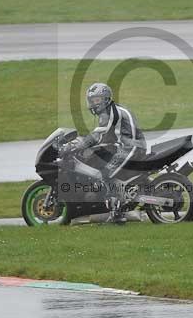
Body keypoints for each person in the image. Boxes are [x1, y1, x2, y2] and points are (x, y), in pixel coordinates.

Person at [61, 82, 147, 222]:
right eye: (92, 100)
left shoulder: (109, 112)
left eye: (97, 100)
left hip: (131, 148)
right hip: (128, 146)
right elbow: (107, 136)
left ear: (106, 98)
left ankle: (117, 213)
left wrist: (77, 147)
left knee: (106, 173)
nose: (94, 104)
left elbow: (98, 135)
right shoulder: (112, 110)